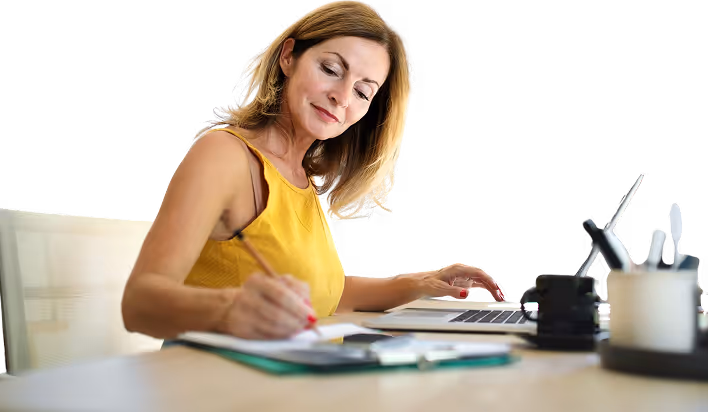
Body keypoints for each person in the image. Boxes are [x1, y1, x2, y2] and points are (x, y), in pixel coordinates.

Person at [121, 0, 505, 342]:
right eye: (331, 68)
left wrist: (420, 283)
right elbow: (139, 303)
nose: (342, 96)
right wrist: (229, 308)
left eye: (362, 91)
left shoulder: (301, 177)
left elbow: (323, 294)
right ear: (289, 56)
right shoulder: (225, 155)